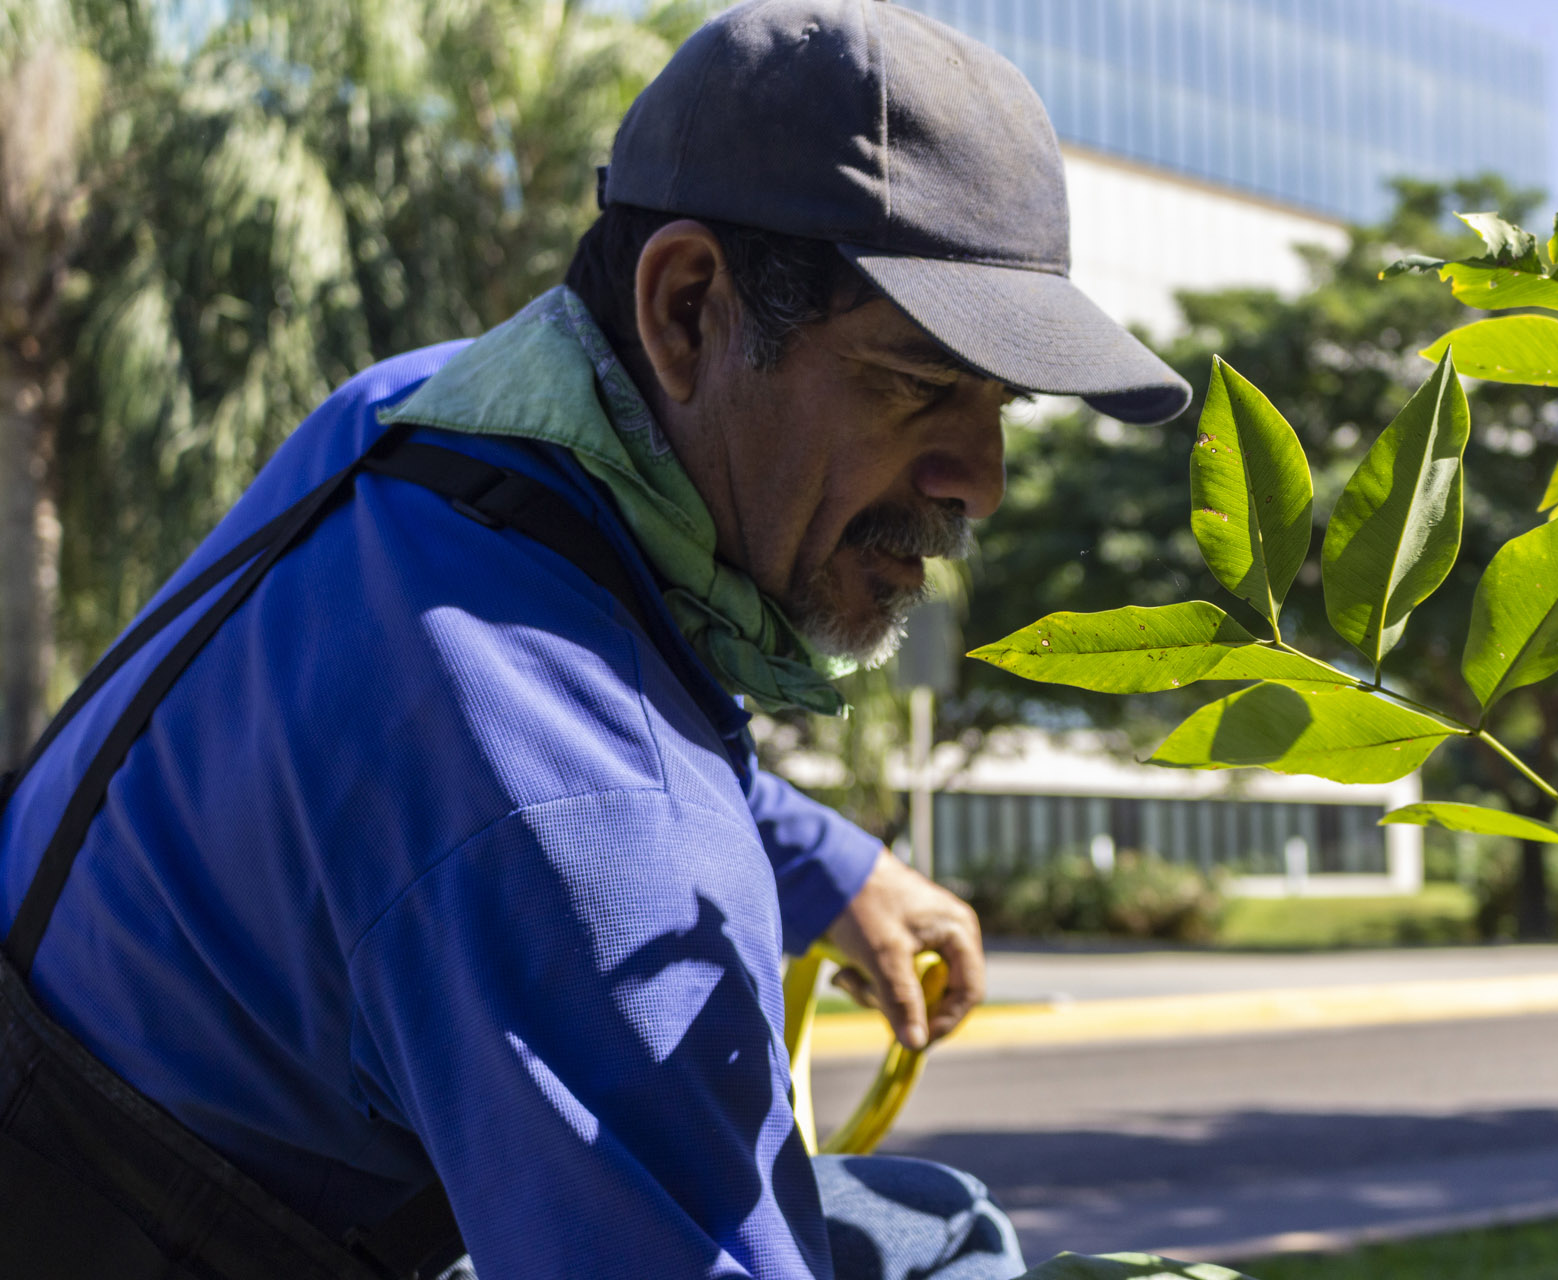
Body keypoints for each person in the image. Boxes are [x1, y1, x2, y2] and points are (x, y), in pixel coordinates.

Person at [0, 1, 1191, 1276]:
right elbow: (561, 798)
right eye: (914, 384)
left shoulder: (414, 422)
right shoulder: (590, 828)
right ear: (686, 309)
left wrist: (831, 864)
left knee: (921, 1222)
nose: (982, 479)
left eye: (998, 403)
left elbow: (534, 734)